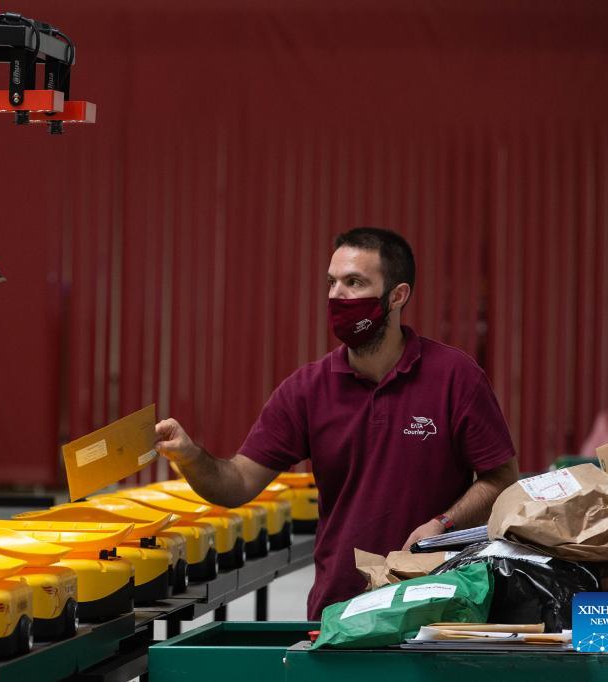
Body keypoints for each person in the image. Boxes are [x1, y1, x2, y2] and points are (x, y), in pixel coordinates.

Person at [154, 227, 519, 619]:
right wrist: (190, 457)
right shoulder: (307, 389)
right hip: (340, 615)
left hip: (438, 610)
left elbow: (501, 479)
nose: (336, 295)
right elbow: (237, 483)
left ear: (397, 296)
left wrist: (443, 523)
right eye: (332, 282)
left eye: (354, 283)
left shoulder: (454, 376)